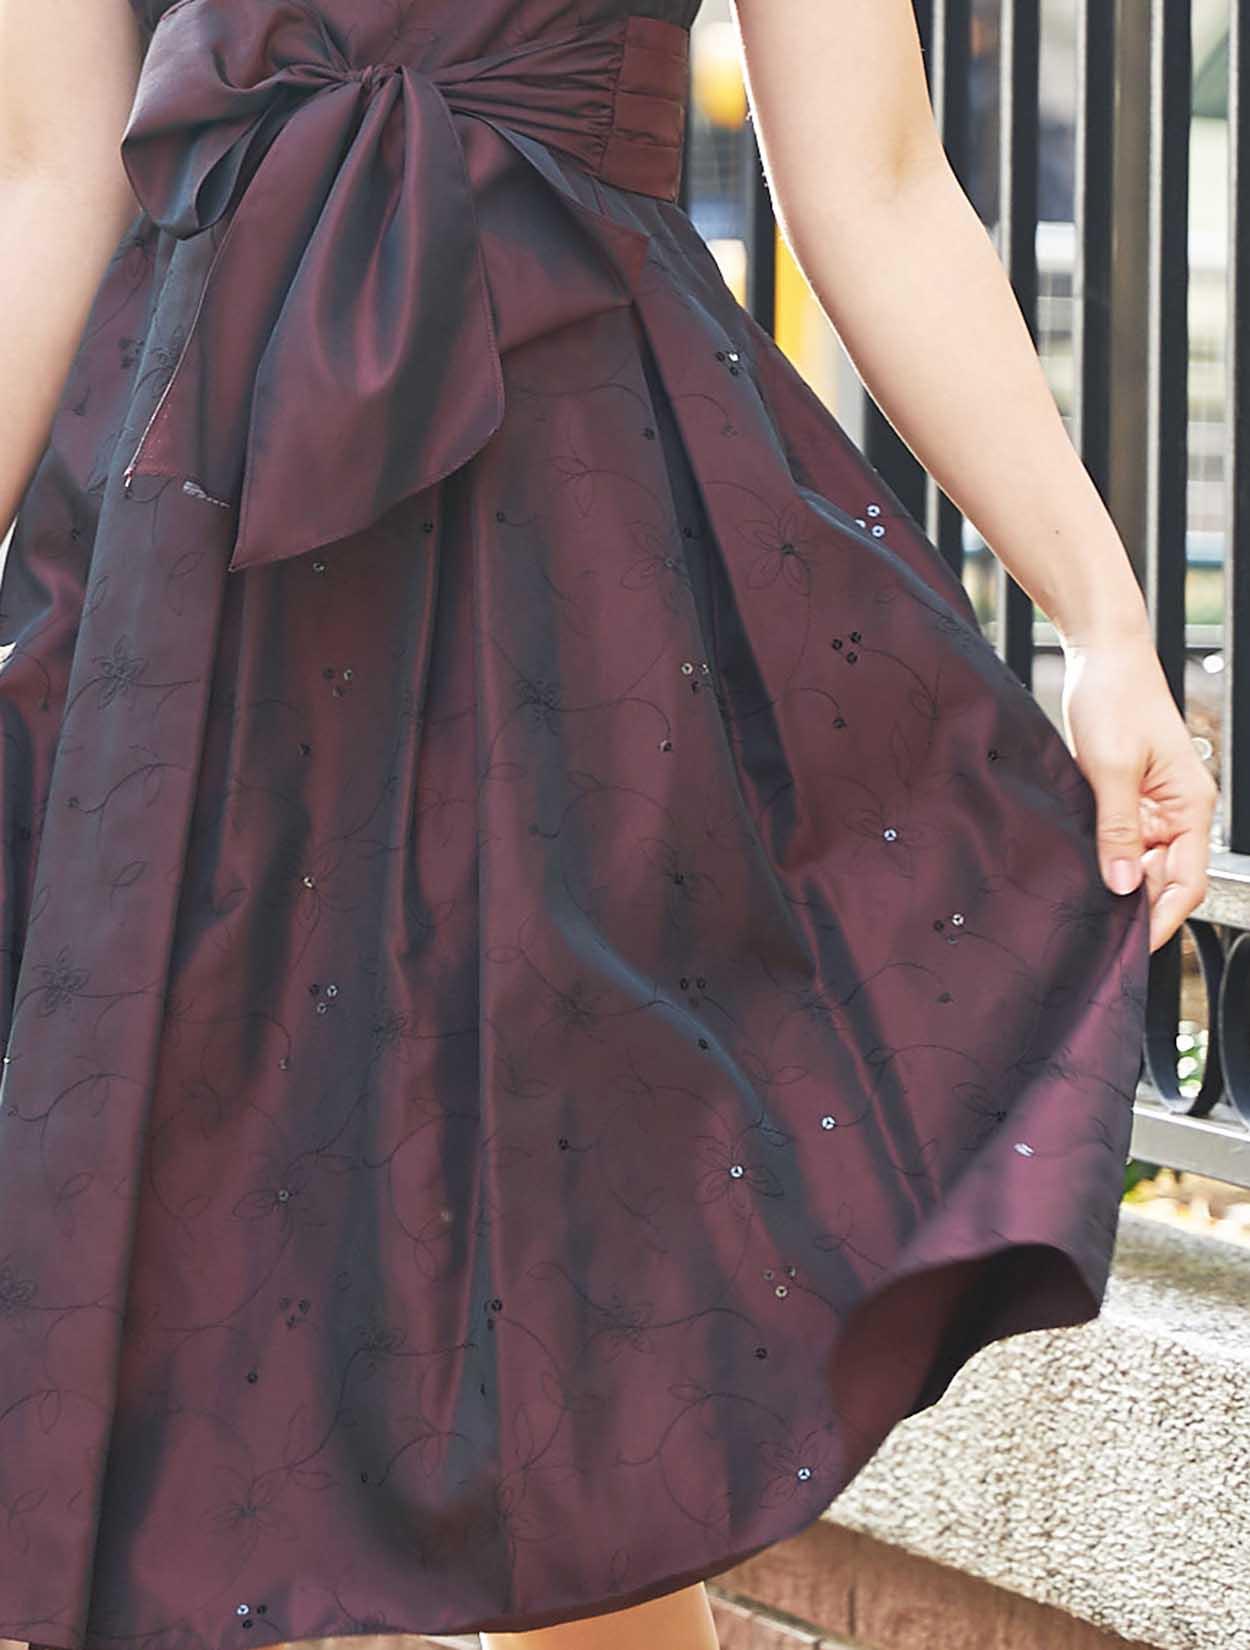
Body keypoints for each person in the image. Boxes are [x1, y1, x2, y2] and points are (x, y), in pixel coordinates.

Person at [0, 3, 1213, 1650]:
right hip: (192, 553)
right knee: (157, 1381)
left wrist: (1104, 624)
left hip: (577, 564)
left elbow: (870, 178)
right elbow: (46, 177)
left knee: (577, 1384)